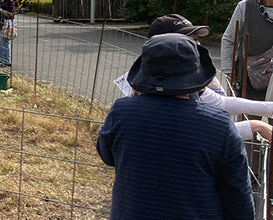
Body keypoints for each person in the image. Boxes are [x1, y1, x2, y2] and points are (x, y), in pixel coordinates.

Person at [96, 34, 253, 219]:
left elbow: (106, 155)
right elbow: (238, 194)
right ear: (194, 77)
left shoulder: (121, 112)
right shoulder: (218, 124)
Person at [148, 14, 273, 141]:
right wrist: (253, 126)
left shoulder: (186, 79)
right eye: (188, 40)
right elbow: (194, 134)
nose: (197, 44)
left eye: (196, 39)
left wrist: (269, 109)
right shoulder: (155, 89)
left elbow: (220, 103)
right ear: (162, 45)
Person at [220, 0, 273, 100]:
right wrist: (228, 70)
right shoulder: (245, 7)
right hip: (251, 75)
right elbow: (230, 39)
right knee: (251, 116)